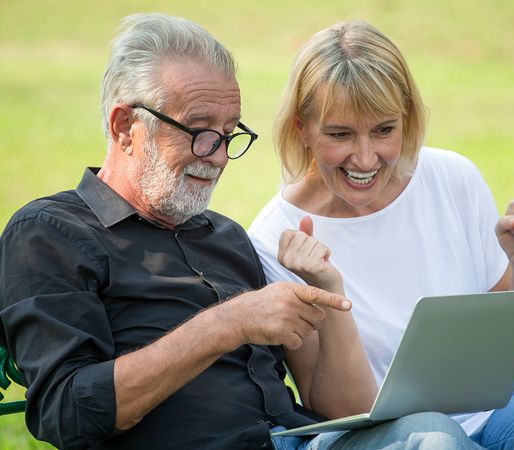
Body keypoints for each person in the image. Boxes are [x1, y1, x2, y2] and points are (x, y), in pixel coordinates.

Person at [0, 13, 484, 450]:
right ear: (126, 126)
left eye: (230, 133)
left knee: (431, 435)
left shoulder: (226, 237)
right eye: (199, 130)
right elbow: (66, 413)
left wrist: (327, 291)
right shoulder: (49, 233)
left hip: (296, 440)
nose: (217, 155)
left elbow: (327, 403)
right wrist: (224, 324)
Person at [248, 20, 514, 449]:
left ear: (407, 118)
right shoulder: (274, 239)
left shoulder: (452, 178)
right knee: (440, 441)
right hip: (376, 438)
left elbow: (512, 360)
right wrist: (329, 291)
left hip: (492, 415)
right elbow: (341, 412)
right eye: (340, 134)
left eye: (384, 130)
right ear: (302, 129)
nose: (365, 157)